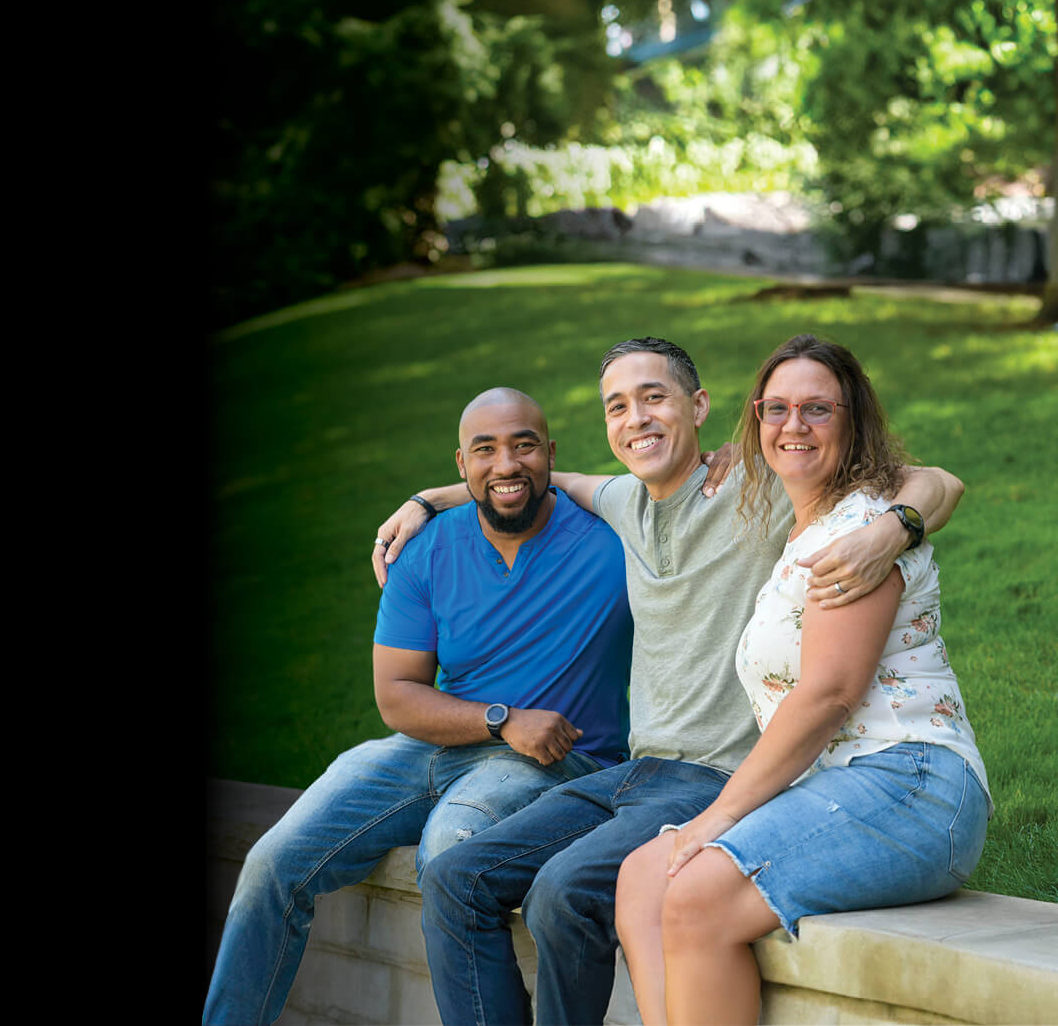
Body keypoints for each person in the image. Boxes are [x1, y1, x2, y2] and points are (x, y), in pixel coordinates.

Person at [367, 337, 966, 1026]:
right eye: (617, 406)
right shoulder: (624, 501)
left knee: (561, 892)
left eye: (654, 397)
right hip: (636, 770)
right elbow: (542, 480)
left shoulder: (766, 482)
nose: (637, 418)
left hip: (718, 774)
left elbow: (937, 480)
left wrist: (895, 528)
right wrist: (428, 499)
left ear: (699, 406)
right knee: (454, 878)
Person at [203, 389, 636, 1026]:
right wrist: (501, 720)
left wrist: (428, 494)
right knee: (274, 862)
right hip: (440, 745)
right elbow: (397, 696)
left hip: (556, 759)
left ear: (552, 454)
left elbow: (678, 484)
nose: (506, 464)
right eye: (485, 450)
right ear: (461, 463)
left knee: (451, 847)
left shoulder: (609, 538)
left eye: (523, 445)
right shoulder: (430, 548)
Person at [611, 335, 989, 1026]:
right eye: (776, 408)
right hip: (839, 783)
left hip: (914, 783)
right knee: (641, 878)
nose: (793, 425)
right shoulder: (797, 525)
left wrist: (719, 814)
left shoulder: (862, 532)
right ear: (754, 419)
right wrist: (435, 497)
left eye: (817, 408)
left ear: (853, 421)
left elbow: (829, 695)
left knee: (695, 894)